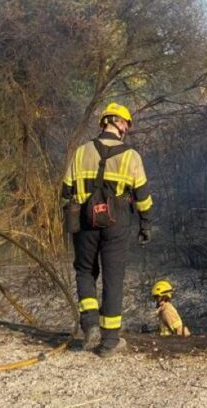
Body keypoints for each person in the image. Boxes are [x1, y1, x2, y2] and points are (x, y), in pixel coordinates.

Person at [61, 103, 154, 357]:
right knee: (113, 277)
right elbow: (143, 196)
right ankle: (109, 341)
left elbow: (66, 191)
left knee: (85, 271)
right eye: (126, 124)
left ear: (103, 122)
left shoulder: (81, 152)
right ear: (119, 123)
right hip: (117, 223)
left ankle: (90, 324)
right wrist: (146, 224)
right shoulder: (131, 156)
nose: (127, 129)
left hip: (84, 221)